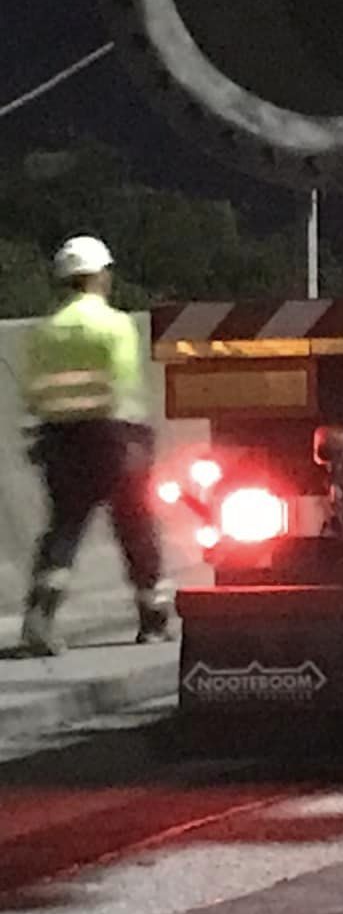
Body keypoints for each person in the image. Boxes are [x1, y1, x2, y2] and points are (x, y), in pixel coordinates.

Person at [19, 236, 172, 656]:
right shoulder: (115, 324)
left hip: (61, 440)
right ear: (101, 275)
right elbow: (122, 387)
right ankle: (153, 620)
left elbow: (33, 394)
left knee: (63, 529)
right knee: (137, 528)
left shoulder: (45, 332)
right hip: (114, 439)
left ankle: (39, 618)